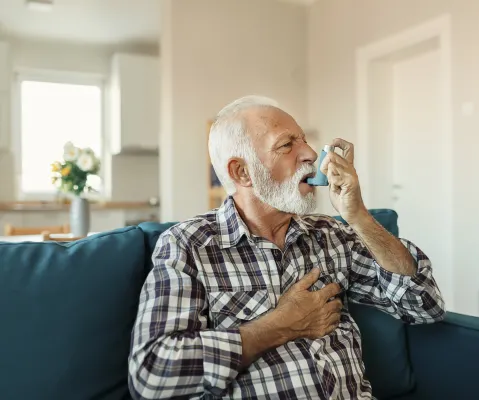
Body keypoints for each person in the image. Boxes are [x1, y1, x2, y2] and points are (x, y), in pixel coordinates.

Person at [128, 95, 445, 400]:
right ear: (243, 172)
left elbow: (425, 306)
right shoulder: (190, 245)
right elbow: (153, 375)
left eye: (305, 140)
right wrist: (279, 325)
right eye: (287, 145)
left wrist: (358, 216)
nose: (310, 154)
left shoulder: (331, 234)